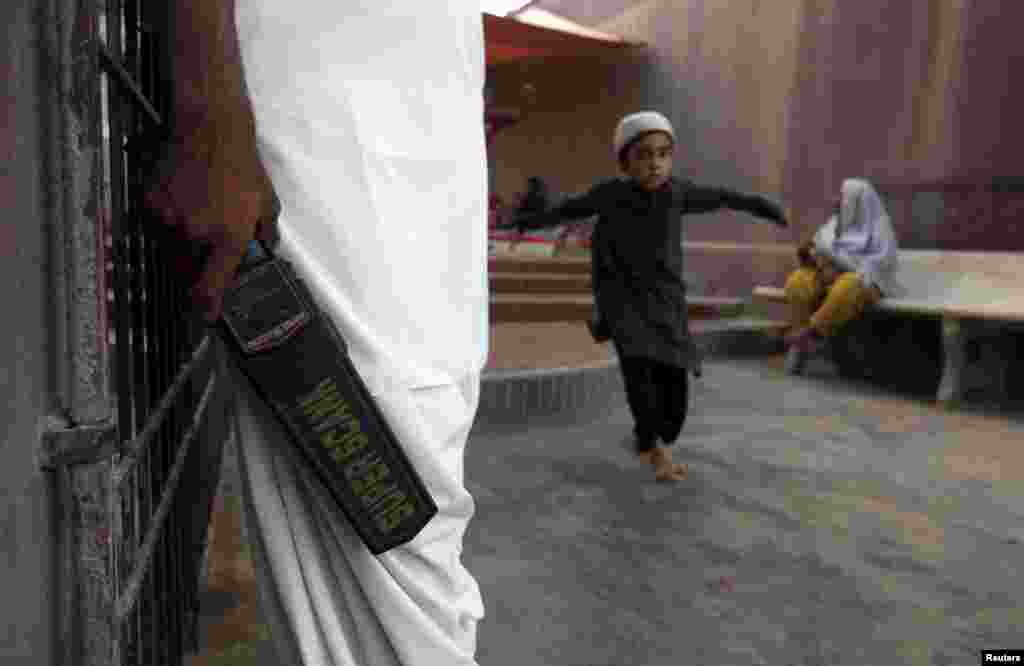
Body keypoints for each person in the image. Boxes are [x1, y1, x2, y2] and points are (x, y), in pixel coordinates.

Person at [145, 1, 487, 665]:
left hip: (431, 104)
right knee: (392, 484)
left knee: (430, 470)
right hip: (320, 91)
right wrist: (207, 103)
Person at [515, 111, 788, 482]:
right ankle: (654, 450)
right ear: (625, 161)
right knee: (639, 373)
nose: (655, 164)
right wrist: (526, 222)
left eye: (662, 154)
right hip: (624, 303)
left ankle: (652, 438)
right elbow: (567, 210)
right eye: (644, 155)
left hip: (666, 305)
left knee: (674, 405)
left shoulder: (678, 193)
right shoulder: (610, 195)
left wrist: (762, 207)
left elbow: (724, 198)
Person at [783, 178, 900, 375]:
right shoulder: (835, 224)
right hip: (827, 276)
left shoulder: (880, 231)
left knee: (848, 286)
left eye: (844, 197)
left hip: (864, 283)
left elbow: (877, 269)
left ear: (859, 202)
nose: (837, 201)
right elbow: (817, 247)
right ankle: (802, 341)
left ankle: (810, 334)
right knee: (798, 280)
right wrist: (810, 255)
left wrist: (839, 267)